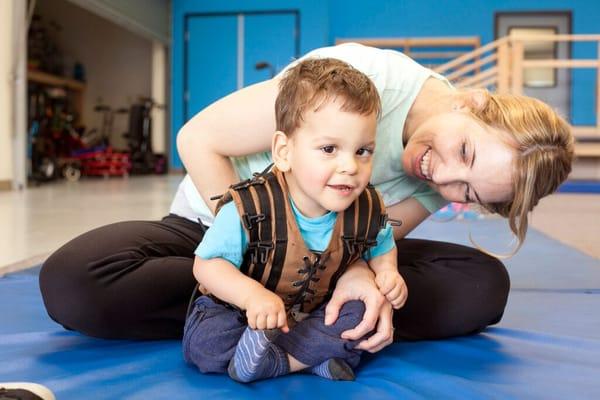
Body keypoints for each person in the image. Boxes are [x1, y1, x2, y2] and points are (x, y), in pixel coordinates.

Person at [40, 43, 574, 354]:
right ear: (475, 102)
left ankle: (284, 316)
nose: (443, 175)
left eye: (468, 191)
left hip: (321, 260)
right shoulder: (360, 79)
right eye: (464, 152)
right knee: (76, 282)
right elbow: (198, 139)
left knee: (481, 287)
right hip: (216, 227)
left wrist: (361, 276)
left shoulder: (441, 184)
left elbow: (375, 237)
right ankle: (253, 307)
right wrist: (247, 252)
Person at [182, 58, 406, 382]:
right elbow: (206, 265)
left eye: (363, 151)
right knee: (205, 341)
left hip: (310, 312)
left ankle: (278, 361)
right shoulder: (249, 206)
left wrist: (386, 272)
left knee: (360, 316)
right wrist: (252, 297)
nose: (350, 166)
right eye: (329, 148)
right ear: (284, 151)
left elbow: (381, 245)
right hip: (241, 315)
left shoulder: (367, 207)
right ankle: (310, 357)